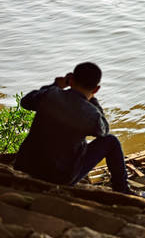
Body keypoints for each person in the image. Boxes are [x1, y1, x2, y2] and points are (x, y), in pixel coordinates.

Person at [14, 62, 137, 195]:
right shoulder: (92, 113)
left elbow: (25, 101)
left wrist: (57, 85)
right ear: (96, 89)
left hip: (24, 168)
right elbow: (104, 131)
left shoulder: (49, 95)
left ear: (71, 80)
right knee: (111, 141)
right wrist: (93, 101)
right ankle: (122, 190)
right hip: (59, 178)